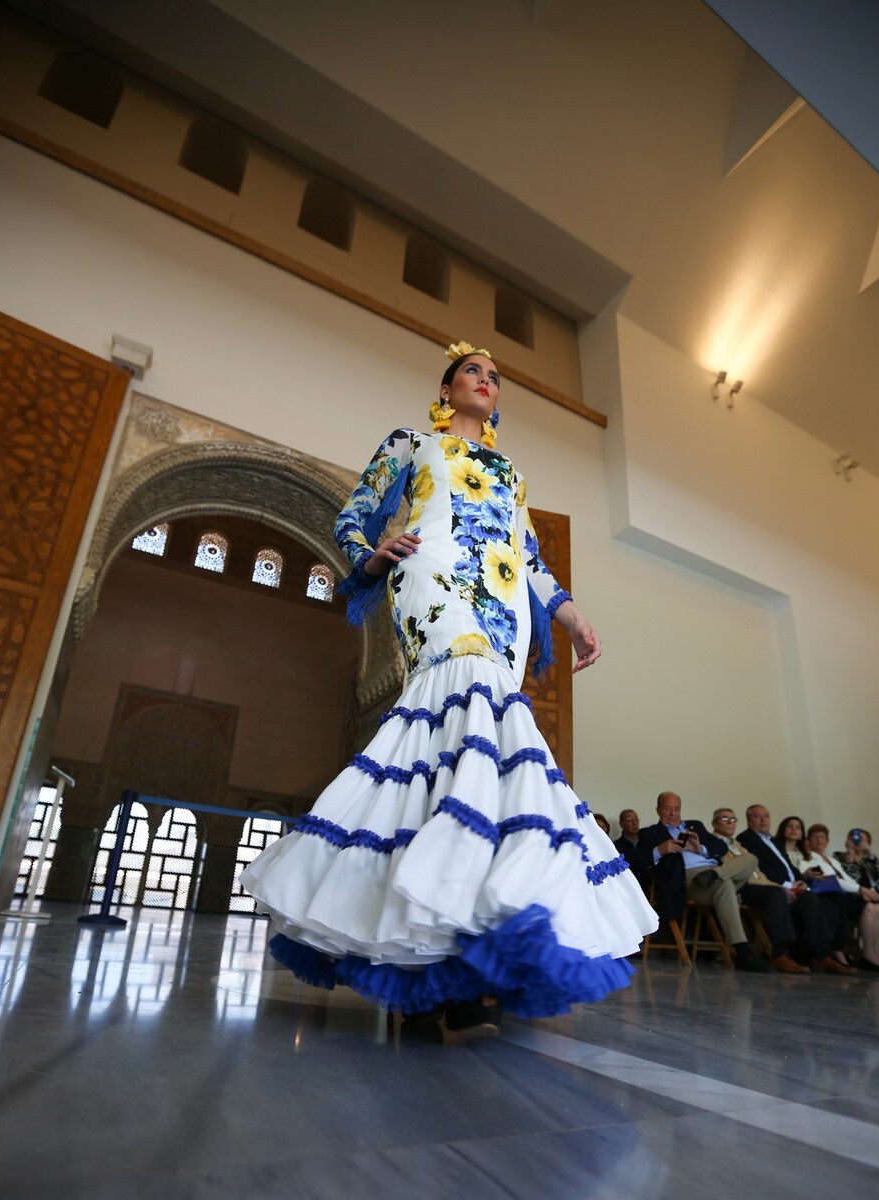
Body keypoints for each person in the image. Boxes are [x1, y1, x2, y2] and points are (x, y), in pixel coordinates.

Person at [240, 340, 658, 1033]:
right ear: (446, 386)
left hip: (503, 608)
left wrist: (574, 616)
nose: (487, 382)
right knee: (451, 722)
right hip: (434, 585)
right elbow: (355, 513)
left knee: (485, 748)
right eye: (474, 371)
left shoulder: (511, 471)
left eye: (495, 377)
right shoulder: (412, 442)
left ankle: (458, 956)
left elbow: (527, 556)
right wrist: (370, 556)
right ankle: (428, 951)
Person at [638, 792, 768, 972]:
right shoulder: (650, 833)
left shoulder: (695, 826)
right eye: (668, 808)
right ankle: (742, 951)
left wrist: (701, 848)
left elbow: (720, 846)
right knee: (727, 885)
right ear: (658, 810)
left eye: (677, 809)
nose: (673, 813)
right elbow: (638, 863)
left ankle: (715, 875)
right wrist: (659, 850)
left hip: (712, 872)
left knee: (750, 859)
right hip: (688, 879)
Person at [738, 805, 855, 975]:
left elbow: (788, 866)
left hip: (790, 886)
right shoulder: (746, 838)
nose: (763, 820)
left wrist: (800, 881)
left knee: (824, 904)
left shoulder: (774, 842)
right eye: (757, 816)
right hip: (764, 888)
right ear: (749, 820)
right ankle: (779, 953)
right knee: (780, 895)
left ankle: (820, 955)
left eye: (766, 816)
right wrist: (786, 885)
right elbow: (760, 867)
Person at [711, 808, 808, 974]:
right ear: (714, 823)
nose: (729, 822)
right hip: (739, 887)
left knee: (806, 897)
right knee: (776, 894)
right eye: (724, 819)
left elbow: (759, 873)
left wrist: (779, 886)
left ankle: (811, 954)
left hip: (759, 885)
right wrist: (777, 888)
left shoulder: (738, 845)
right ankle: (779, 953)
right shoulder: (713, 843)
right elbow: (738, 873)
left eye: (733, 819)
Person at [802, 824, 879, 972]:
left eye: (823, 837)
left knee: (876, 907)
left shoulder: (831, 860)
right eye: (815, 836)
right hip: (830, 897)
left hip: (847, 895)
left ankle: (874, 953)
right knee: (868, 907)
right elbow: (832, 880)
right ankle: (860, 954)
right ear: (808, 841)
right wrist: (861, 889)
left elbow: (846, 878)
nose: (819, 840)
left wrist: (862, 892)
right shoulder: (807, 858)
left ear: (827, 841)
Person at [835, 829, 879, 903]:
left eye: (862, 840)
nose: (857, 842)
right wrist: (850, 857)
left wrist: (871, 855)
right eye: (853, 839)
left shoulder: (870, 859)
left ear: (868, 843)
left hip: (877, 895)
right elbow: (851, 880)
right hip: (855, 897)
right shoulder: (839, 856)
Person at [614, 809, 653, 886]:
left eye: (636, 820)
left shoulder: (647, 841)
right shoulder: (616, 846)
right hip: (630, 886)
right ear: (621, 824)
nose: (634, 823)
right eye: (629, 820)